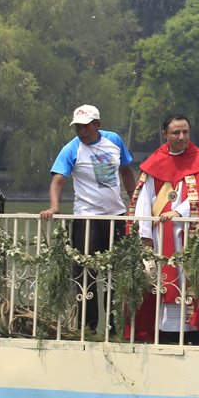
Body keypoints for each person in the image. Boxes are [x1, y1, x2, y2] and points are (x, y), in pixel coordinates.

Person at [127, 115, 199, 346]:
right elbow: (144, 199)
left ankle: (191, 331)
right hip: (158, 235)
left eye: (185, 132)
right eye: (176, 133)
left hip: (188, 236)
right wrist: (144, 235)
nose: (181, 137)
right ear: (165, 134)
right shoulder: (155, 162)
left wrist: (180, 213)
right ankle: (161, 331)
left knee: (187, 281)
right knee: (160, 281)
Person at [39, 105, 137, 334]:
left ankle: (116, 326)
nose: (82, 132)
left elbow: (126, 171)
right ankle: (88, 326)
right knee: (85, 273)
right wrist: (55, 206)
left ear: (97, 125)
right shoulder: (71, 149)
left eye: (86, 127)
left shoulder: (114, 140)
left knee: (117, 272)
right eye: (78, 128)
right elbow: (58, 180)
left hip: (116, 216)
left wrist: (133, 202)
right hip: (87, 218)